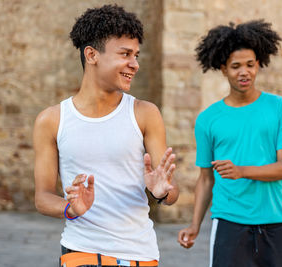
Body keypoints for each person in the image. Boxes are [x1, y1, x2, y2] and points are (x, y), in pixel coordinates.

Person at [33, 4, 179, 267]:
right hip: (81, 252)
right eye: (125, 54)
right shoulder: (52, 120)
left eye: (136, 55)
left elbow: (170, 192)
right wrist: (71, 209)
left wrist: (160, 192)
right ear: (91, 55)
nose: (134, 64)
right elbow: (42, 197)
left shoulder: (145, 113)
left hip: (140, 254)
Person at [177, 20, 282, 267]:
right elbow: (205, 179)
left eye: (250, 65)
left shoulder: (281, 109)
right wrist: (194, 225)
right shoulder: (207, 120)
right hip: (228, 224)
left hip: (274, 221)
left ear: (259, 64)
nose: (244, 72)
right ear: (223, 68)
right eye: (235, 66)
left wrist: (241, 171)